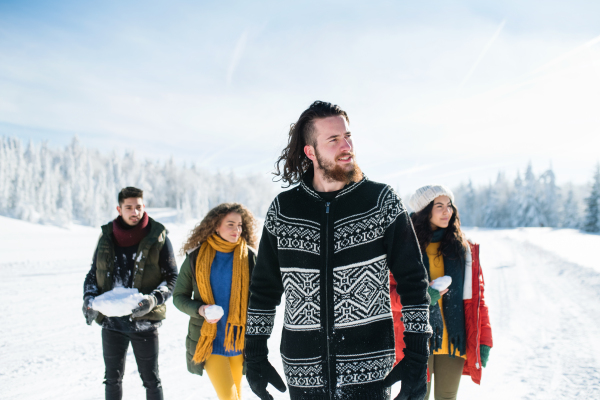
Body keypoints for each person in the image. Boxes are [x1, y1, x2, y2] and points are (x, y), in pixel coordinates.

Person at [244, 101, 432, 400]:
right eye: (333, 139)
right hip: (303, 371)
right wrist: (253, 354)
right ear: (310, 151)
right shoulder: (284, 210)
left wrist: (417, 359)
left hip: (369, 369)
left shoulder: (380, 201)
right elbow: (263, 289)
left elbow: (413, 282)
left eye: (348, 136)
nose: (347, 146)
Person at [390, 184, 493, 400]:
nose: (448, 211)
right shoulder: (404, 248)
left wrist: (484, 340)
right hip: (416, 340)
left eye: (450, 206)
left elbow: (477, 300)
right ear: (424, 210)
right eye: (439, 206)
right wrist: (422, 297)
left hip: (454, 340)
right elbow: (387, 297)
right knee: (418, 397)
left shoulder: (463, 249)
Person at [82, 186, 178, 400]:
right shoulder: (106, 236)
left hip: (145, 322)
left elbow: (172, 276)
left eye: (138, 207)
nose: (135, 212)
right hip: (111, 322)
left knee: (151, 380)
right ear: (119, 209)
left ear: (144, 207)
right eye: (129, 207)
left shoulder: (159, 236)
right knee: (112, 379)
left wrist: (153, 300)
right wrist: (88, 299)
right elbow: (93, 272)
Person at [173, 203, 258, 400]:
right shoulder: (195, 257)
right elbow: (178, 297)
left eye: (239, 225)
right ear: (215, 226)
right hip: (210, 342)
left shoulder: (250, 257)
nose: (236, 230)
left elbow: (262, 298)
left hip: (239, 342)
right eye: (230, 224)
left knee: (237, 396)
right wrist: (200, 310)